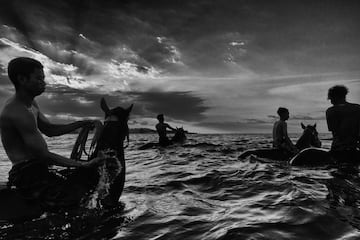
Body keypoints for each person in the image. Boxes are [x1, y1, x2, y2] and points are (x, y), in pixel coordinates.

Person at [0, 57, 109, 209]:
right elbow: (43, 155)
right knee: (75, 200)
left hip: (39, 168)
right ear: (22, 79)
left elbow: (50, 130)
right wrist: (82, 165)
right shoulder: (17, 112)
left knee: (85, 181)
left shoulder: (31, 104)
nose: (43, 83)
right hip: (27, 174)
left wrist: (82, 123)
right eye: (38, 78)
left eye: (43, 78)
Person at [326, 85, 360, 162]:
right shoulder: (358, 108)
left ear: (335, 97)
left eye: (331, 99)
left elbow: (335, 131)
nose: (331, 101)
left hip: (337, 150)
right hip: (353, 148)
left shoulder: (331, 111)